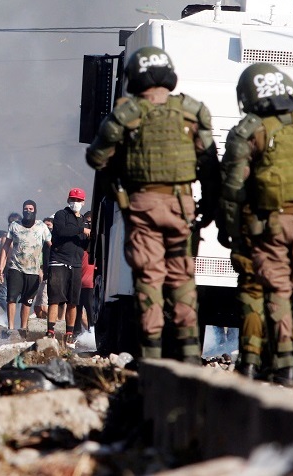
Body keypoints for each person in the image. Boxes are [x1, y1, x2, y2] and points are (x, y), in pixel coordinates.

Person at [86, 46, 219, 363]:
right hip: (181, 207)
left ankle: (152, 353)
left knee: (149, 279)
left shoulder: (126, 114)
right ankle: (188, 351)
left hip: (142, 206)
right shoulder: (193, 111)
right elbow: (211, 167)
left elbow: (96, 157)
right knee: (182, 277)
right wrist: (209, 211)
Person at [220, 63, 293, 386]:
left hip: (265, 228)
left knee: (266, 292)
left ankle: (265, 363)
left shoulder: (251, 129)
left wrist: (229, 231)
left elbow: (232, 190)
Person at [0, 200, 52, 330]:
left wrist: (47, 267)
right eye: (26, 209)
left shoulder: (41, 227)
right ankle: (11, 328)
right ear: (22, 210)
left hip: (33, 270)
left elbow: (51, 245)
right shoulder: (14, 225)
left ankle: (23, 328)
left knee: (27, 301)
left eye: (31, 209)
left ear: (35, 211)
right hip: (15, 267)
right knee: (11, 298)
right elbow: (6, 246)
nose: (28, 211)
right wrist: (0, 266)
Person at [46, 189, 90, 347]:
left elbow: (83, 243)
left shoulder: (83, 220)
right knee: (55, 298)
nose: (75, 203)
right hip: (59, 261)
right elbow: (62, 231)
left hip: (76, 264)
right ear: (68, 200)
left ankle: (69, 333)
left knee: (73, 301)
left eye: (78, 200)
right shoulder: (60, 215)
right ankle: (50, 331)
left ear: (83, 202)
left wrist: (90, 238)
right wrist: (82, 230)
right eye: (72, 199)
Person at [75, 212, 95, 339]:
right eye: (86, 223)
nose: (88, 226)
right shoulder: (78, 245)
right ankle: (76, 335)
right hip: (77, 284)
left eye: (90, 223)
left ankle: (92, 333)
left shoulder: (97, 248)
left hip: (91, 284)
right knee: (76, 311)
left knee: (90, 310)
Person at [33, 216, 54, 320]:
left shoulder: (53, 242)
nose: (46, 228)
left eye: (48, 225)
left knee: (44, 306)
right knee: (37, 308)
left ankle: (54, 326)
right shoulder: (40, 241)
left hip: (50, 276)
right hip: (42, 275)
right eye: (44, 226)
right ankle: (44, 327)